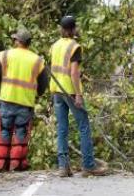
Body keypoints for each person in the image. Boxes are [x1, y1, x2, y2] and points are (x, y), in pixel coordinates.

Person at [49, 16, 107, 177]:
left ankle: (63, 167)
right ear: (73, 29)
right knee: (84, 126)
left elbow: (60, 68)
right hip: (70, 91)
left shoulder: (55, 46)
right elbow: (73, 72)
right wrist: (79, 95)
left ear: (61, 29)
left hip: (57, 91)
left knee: (62, 128)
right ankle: (88, 165)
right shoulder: (75, 47)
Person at [0, 28, 48, 171]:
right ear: (29, 43)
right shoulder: (37, 60)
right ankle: (16, 164)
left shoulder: (5, 55)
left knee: (4, 130)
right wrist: (38, 94)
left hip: (7, 99)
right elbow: (43, 84)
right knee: (21, 132)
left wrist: (2, 88)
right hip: (25, 102)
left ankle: (1, 164)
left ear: (17, 41)